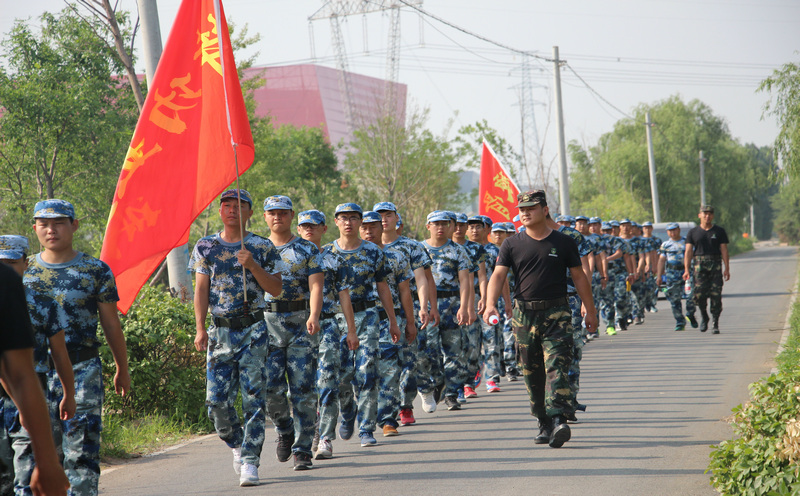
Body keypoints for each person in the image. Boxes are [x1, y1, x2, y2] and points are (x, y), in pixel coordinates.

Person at [25, 199, 130, 496]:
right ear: (35, 228)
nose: (51, 229)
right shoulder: (24, 271)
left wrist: (122, 367)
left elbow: (111, 324)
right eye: (43, 224)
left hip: (82, 368)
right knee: (41, 456)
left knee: (81, 452)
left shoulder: (95, 270)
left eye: (58, 222)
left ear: (74, 225)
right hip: (36, 374)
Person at [484, 190, 598, 449]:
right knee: (531, 371)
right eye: (521, 209)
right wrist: (490, 304)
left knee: (557, 365)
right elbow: (498, 275)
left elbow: (580, 277)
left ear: (545, 210)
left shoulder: (564, 241)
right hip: (524, 315)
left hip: (557, 313)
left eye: (531, 208)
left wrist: (589, 310)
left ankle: (558, 419)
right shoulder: (511, 244)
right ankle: (543, 422)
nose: (525, 212)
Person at [189, 190, 285, 486]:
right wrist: (200, 327)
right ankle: (236, 444)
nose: (232, 210)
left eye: (239, 206)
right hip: (219, 332)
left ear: (250, 212)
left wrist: (253, 265)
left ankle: (251, 462)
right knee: (216, 402)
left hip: (253, 331)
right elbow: (201, 290)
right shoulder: (206, 246)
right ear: (220, 211)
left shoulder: (261, 246)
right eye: (227, 206)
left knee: (254, 399)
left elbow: (276, 289)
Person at [0, 235, 75, 495]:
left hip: (29, 393)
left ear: (25, 262)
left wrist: (69, 393)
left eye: (12, 262)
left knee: (24, 474)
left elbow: (53, 357)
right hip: (16, 392)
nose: (7, 267)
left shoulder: (39, 301)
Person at [325, 203, 399, 448]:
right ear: (336, 222)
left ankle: (366, 428)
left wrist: (392, 320)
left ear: (360, 222)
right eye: (343, 218)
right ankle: (348, 411)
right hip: (336, 320)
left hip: (368, 316)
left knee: (367, 373)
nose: (348, 222)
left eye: (353, 218)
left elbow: (383, 287)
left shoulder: (373, 252)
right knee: (342, 377)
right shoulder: (327, 254)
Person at [261, 195, 323, 470]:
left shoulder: (307, 249)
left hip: (300, 323)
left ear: (291, 216)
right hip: (267, 323)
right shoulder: (256, 248)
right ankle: (284, 428)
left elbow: (316, 286)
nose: (278, 217)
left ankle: (302, 449)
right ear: (264, 217)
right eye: (272, 213)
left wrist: (313, 314)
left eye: (283, 213)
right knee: (270, 388)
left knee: (303, 389)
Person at [295, 210, 357, 460]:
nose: (309, 230)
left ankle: (325, 438)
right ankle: (306, 433)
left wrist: (351, 330)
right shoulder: (289, 258)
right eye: (304, 226)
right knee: (301, 386)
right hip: (296, 326)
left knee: (329, 381)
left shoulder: (333, 260)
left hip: (329, 325)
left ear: (324, 229)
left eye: (314, 226)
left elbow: (344, 296)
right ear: (298, 229)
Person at [373, 202, 432, 427]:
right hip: (374, 314)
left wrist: (424, 307)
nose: (384, 220)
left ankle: (406, 405)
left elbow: (421, 279)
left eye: (388, 216)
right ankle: (383, 407)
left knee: (408, 360)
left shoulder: (410, 246)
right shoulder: (367, 247)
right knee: (382, 364)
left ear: (397, 218)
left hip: (406, 307)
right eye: (379, 217)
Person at [360, 211, 415, 437]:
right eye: (364, 227)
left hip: (388, 320)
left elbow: (405, 292)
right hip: (358, 322)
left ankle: (387, 419)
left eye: (373, 226)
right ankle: (363, 416)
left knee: (390, 371)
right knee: (363, 372)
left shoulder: (396, 256)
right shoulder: (347, 256)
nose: (368, 231)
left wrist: (409, 322)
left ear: (382, 228)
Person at [418, 211, 472, 412]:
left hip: (451, 303)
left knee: (454, 351)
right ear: (428, 226)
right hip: (426, 306)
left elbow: (465, 281)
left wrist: (464, 307)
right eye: (436, 223)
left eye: (444, 223)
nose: (440, 227)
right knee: (428, 350)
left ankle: (451, 394)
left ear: (450, 226)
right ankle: (437, 380)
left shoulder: (458, 251)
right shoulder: (419, 249)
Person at [684, 205, 730, 334]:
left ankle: (715, 322)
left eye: (710, 214)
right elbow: (688, 251)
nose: (707, 216)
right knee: (699, 294)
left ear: (713, 216)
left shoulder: (719, 231)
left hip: (715, 264)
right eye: (705, 213)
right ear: (700, 215)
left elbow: (724, 250)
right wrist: (686, 269)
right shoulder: (693, 232)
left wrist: (727, 268)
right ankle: (704, 315)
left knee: (716, 294)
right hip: (699, 265)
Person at [656, 223, 698, 331]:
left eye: (674, 230)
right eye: (670, 231)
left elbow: (695, 256)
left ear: (679, 230)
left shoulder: (687, 242)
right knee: (674, 299)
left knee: (691, 296)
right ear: (667, 232)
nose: (672, 233)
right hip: (672, 273)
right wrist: (659, 276)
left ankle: (690, 314)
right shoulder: (665, 245)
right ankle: (680, 321)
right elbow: (661, 260)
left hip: (687, 272)